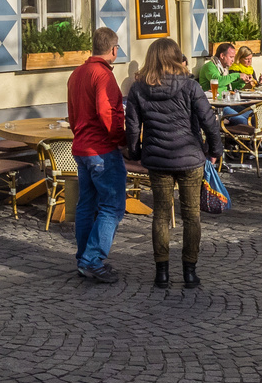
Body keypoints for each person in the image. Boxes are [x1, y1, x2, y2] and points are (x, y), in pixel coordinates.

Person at [125, 37, 223, 290]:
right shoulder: (190, 86)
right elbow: (209, 122)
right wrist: (215, 151)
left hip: (157, 158)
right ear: (177, 57)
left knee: (160, 215)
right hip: (190, 157)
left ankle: (162, 273)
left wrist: (135, 152)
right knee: (191, 216)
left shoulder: (138, 88)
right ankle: (190, 272)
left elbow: (133, 127)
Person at [66, 26, 127, 285]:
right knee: (111, 206)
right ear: (113, 50)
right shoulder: (103, 76)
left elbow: (71, 113)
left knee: (86, 205)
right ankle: (91, 258)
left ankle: (84, 257)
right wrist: (120, 140)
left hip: (81, 147)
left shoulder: (76, 74)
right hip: (101, 149)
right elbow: (107, 113)